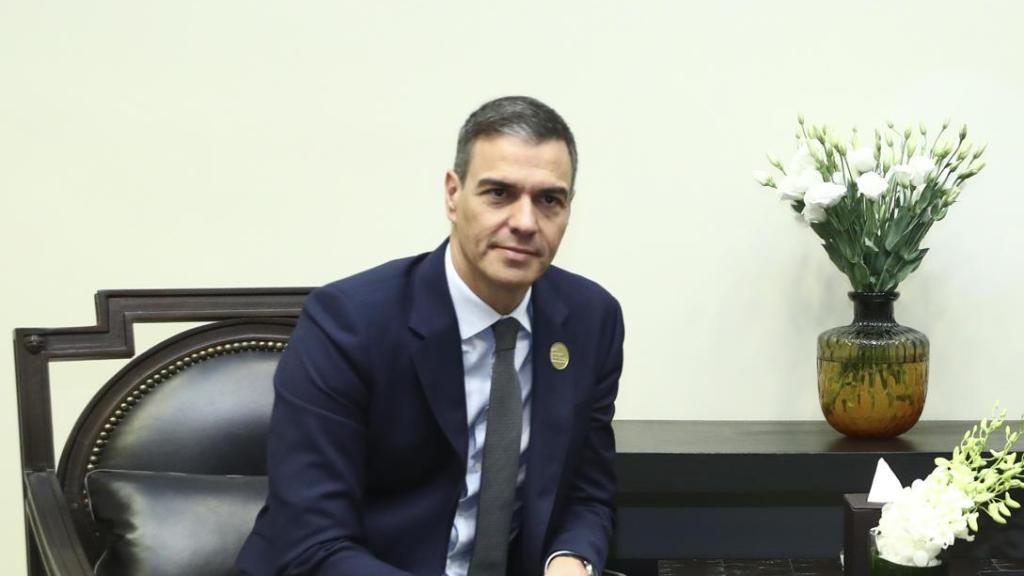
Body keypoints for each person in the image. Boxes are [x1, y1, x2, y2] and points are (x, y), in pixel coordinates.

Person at [236, 96, 625, 576]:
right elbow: (310, 543)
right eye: (499, 193)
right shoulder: (348, 322)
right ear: (452, 194)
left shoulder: (591, 320)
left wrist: (571, 559)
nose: (525, 223)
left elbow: (587, 492)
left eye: (549, 199)